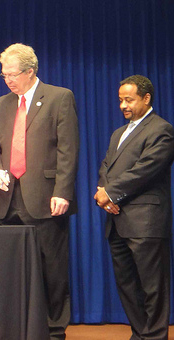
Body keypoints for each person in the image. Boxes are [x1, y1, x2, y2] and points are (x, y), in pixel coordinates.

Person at [0, 43, 79, 339]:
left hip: (47, 199)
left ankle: (53, 331)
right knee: (11, 270)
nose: (8, 80)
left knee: (52, 270)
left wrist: (63, 191)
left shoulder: (59, 98)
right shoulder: (1, 104)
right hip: (8, 199)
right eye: (4, 75)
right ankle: (18, 327)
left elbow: (68, 150)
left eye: (13, 74)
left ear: (30, 72)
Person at [94, 75, 174, 340]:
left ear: (146, 98)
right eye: (120, 100)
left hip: (146, 222)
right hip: (117, 222)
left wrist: (111, 194)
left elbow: (145, 170)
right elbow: (106, 166)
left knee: (153, 287)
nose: (123, 105)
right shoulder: (119, 133)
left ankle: (154, 337)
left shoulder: (161, 129)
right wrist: (104, 194)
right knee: (127, 286)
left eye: (129, 99)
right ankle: (140, 334)